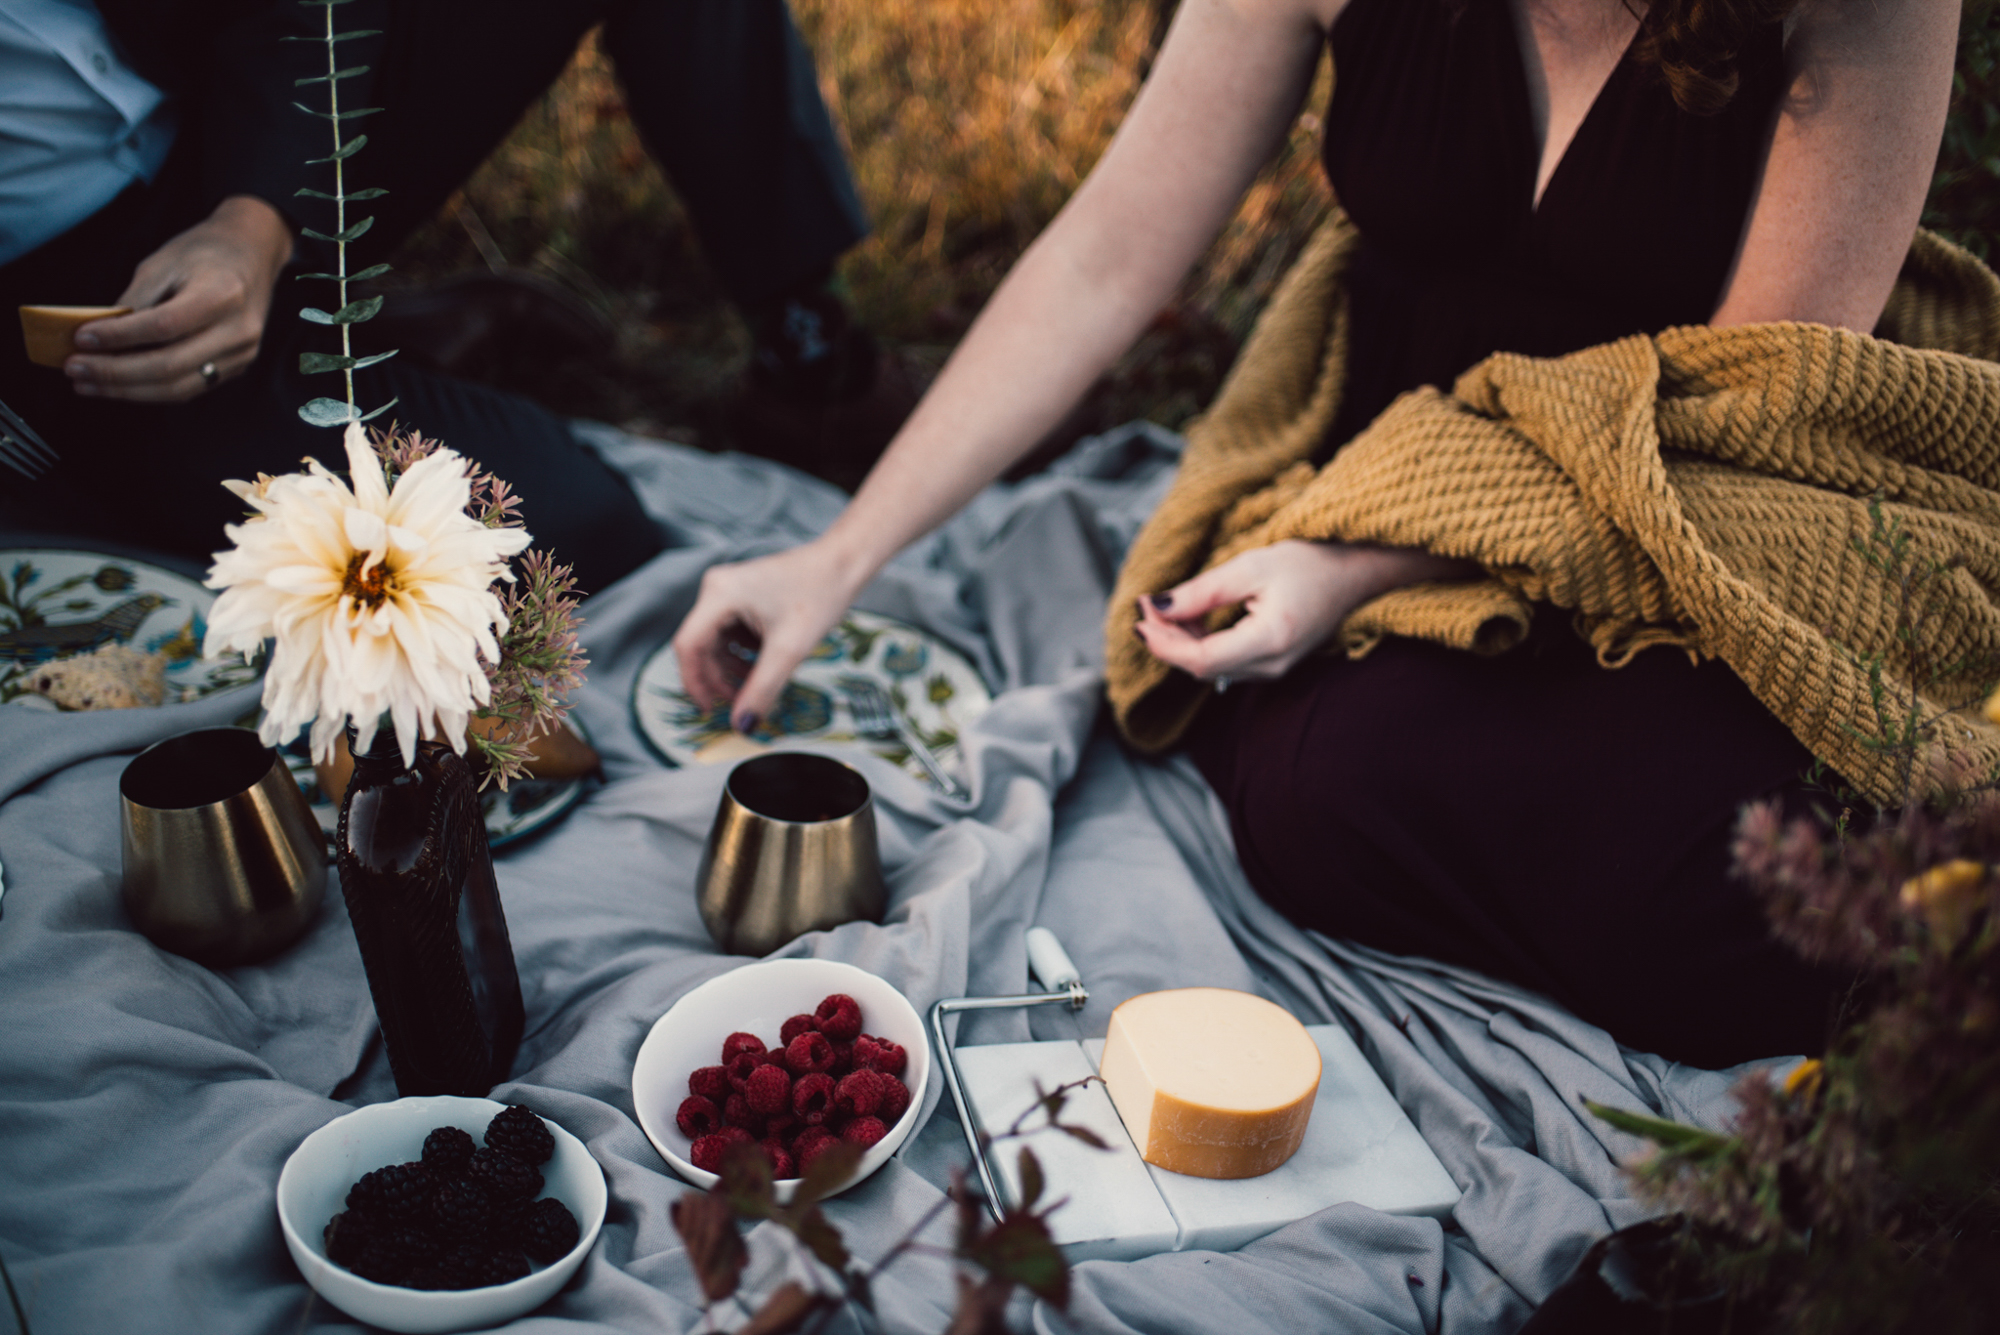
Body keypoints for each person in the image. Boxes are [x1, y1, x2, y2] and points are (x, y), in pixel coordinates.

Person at [671, 0, 1966, 1067]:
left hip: (1689, 520)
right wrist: (840, 555)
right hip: (1384, 458)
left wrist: (1350, 564)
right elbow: (1109, 254)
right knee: (1323, 785)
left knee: (1771, 876)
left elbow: (1742, 412)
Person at [0, 0, 884, 591]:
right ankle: (378, 342)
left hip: (253, 126)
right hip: (83, 328)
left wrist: (257, 216)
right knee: (569, 537)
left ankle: (806, 347)